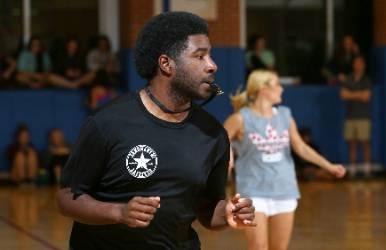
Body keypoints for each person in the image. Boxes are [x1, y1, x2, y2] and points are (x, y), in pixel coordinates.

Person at [56, 11, 256, 250]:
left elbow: (208, 209)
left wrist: (228, 214)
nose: (212, 65)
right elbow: (67, 198)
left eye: (210, 56)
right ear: (166, 64)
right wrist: (118, 212)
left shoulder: (213, 134)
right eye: (200, 56)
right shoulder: (108, 123)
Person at [224, 70, 346, 250]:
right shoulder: (240, 119)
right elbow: (219, 149)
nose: (282, 89)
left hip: (284, 189)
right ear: (263, 89)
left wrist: (329, 166)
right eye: (277, 84)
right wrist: (224, 187)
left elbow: (301, 148)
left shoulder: (285, 115)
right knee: (258, 247)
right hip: (252, 191)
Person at [339, 55, 372, 177]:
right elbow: (343, 95)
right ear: (353, 65)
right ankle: (352, 170)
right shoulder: (349, 78)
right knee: (351, 144)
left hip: (363, 116)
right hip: (350, 116)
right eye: (356, 63)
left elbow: (366, 97)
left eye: (360, 63)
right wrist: (359, 94)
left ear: (364, 65)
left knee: (365, 143)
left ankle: (367, 170)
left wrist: (351, 94)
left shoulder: (366, 80)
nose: (358, 65)